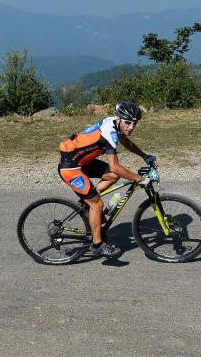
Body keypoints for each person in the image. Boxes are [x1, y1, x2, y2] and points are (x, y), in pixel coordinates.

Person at [58, 100, 157, 258]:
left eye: (134, 124)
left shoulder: (114, 123)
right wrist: (139, 179)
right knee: (98, 204)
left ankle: (88, 200)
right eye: (127, 123)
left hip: (82, 162)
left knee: (112, 176)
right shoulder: (109, 133)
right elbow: (115, 166)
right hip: (70, 168)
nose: (130, 127)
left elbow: (126, 143)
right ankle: (97, 245)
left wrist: (144, 156)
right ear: (119, 119)